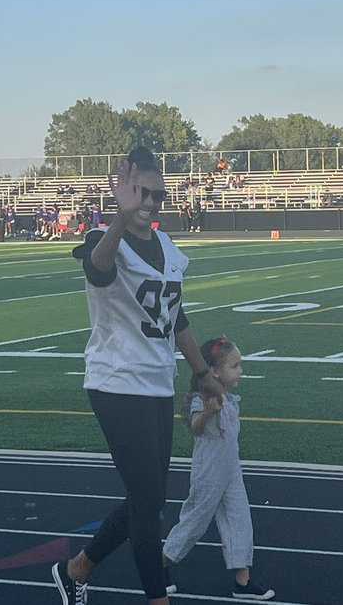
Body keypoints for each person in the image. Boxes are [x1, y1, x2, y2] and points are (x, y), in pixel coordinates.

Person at [52, 147, 224, 605]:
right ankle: (156, 598)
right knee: (149, 506)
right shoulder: (106, 238)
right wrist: (119, 219)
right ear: (124, 190)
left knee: (148, 498)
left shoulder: (167, 246)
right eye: (141, 193)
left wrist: (203, 372)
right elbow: (99, 268)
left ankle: (77, 569)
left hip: (157, 382)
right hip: (115, 381)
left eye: (157, 195)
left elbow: (176, 316)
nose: (150, 202)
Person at [162, 336, 275, 601]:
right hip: (209, 474)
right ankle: (162, 564)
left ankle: (242, 582)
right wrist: (211, 412)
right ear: (214, 371)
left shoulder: (230, 399)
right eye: (235, 366)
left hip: (231, 470)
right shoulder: (201, 400)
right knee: (194, 522)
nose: (241, 371)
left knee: (239, 520)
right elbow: (196, 426)